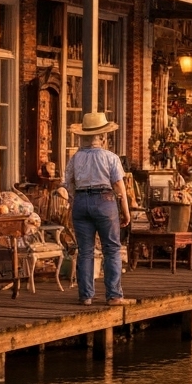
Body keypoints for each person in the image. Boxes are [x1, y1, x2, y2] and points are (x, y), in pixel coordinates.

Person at [65, 112, 134, 307]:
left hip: (80, 201)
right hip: (104, 200)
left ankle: (86, 296)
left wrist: (74, 200)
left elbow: (68, 183)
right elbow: (119, 186)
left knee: (85, 251)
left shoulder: (75, 158)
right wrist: (126, 211)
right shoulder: (110, 157)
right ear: (102, 137)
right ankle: (113, 296)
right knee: (111, 249)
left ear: (83, 137)